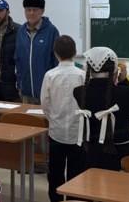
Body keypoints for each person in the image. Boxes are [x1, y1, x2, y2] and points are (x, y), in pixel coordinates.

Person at [73, 46, 129, 171]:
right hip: (122, 156)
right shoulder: (126, 93)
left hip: (91, 156)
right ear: (116, 70)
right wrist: (125, 81)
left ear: (89, 70)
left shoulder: (79, 92)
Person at [40, 35, 86, 202]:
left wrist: (52, 117)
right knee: (76, 171)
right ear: (75, 52)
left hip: (56, 131)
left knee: (56, 171)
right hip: (77, 132)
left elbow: (45, 103)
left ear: (55, 54)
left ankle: (55, 199)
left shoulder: (50, 75)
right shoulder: (83, 75)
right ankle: (73, 199)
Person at [15, 0, 60, 104]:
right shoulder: (21, 31)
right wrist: (20, 84)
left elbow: (56, 61)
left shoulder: (52, 31)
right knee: (27, 115)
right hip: (26, 91)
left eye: (35, 10)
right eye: (28, 10)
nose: (31, 13)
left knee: (45, 116)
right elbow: (18, 60)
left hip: (46, 91)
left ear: (42, 11)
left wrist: (53, 85)